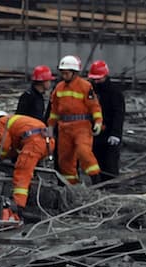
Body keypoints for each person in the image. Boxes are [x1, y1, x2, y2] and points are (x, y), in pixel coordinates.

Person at [48, 54, 102, 184]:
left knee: (83, 151)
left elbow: (94, 106)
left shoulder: (85, 86)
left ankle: (95, 177)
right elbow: (54, 110)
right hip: (64, 128)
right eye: (63, 73)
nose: (64, 76)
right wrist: (50, 126)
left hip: (81, 126)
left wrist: (98, 122)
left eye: (66, 73)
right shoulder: (59, 88)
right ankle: (72, 186)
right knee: (64, 159)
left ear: (74, 73)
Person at [0, 111, 53, 221]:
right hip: (48, 142)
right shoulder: (17, 121)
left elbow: (4, 146)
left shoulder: (1, 122)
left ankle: (18, 208)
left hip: (34, 143)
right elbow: (14, 146)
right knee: (30, 172)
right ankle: (31, 199)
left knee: (22, 173)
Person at [87, 60, 126, 181]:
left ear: (105, 76)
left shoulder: (114, 92)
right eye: (94, 79)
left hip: (109, 133)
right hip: (94, 133)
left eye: (99, 79)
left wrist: (115, 133)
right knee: (94, 163)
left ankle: (111, 187)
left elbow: (118, 114)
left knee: (109, 164)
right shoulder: (90, 89)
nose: (96, 82)